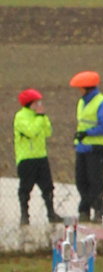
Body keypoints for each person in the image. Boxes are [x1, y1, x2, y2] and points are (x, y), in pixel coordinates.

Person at [69, 71, 103, 223]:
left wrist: (87, 133)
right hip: (82, 147)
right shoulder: (82, 102)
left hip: (96, 147)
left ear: (85, 88)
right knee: (81, 180)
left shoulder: (102, 102)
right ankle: (85, 209)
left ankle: (97, 210)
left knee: (95, 181)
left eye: (79, 88)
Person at [12, 91, 56, 232]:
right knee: (25, 188)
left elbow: (48, 132)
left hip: (41, 156)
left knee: (48, 187)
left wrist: (43, 118)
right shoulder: (21, 117)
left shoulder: (39, 116)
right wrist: (40, 117)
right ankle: (24, 215)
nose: (39, 105)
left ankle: (51, 213)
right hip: (26, 158)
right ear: (29, 104)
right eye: (36, 102)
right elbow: (31, 131)